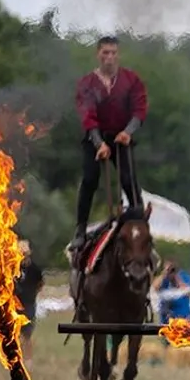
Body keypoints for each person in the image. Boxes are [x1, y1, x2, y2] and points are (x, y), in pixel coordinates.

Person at [70, 35, 148, 254]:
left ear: (118, 55)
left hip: (121, 137)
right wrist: (98, 144)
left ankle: (140, 225)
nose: (110, 58)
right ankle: (80, 230)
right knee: (89, 180)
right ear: (98, 54)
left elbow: (139, 109)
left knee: (129, 180)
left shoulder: (131, 80)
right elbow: (87, 115)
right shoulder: (87, 83)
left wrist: (128, 131)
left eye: (113, 53)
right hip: (95, 137)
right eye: (105, 53)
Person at [15, 239, 45, 353]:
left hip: (29, 304)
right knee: (14, 333)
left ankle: (28, 358)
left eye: (24, 254)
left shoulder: (35, 269)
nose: (22, 256)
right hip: (15, 305)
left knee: (27, 334)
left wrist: (33, 294)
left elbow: (40, 283)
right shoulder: (14, 268)